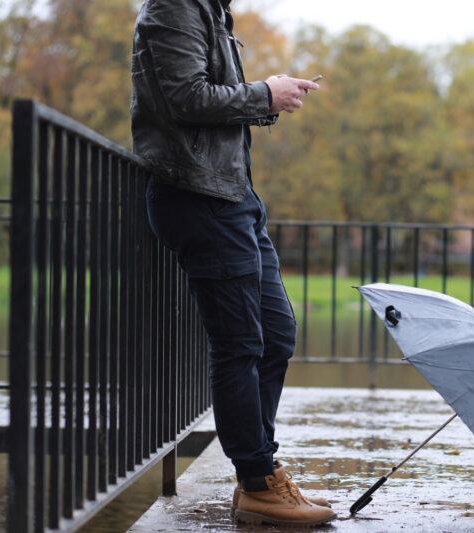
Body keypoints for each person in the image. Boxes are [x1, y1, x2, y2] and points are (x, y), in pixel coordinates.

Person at [130, 0, 336, 527]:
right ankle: (258, 481)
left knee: (277, 330)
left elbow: (212, 99)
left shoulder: (210, 9)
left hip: (232, 195)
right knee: (240, 343)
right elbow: (184, 97)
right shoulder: (174, 6)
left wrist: (269, 96)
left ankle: (259, 471)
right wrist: (266, 91)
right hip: (198, 196)